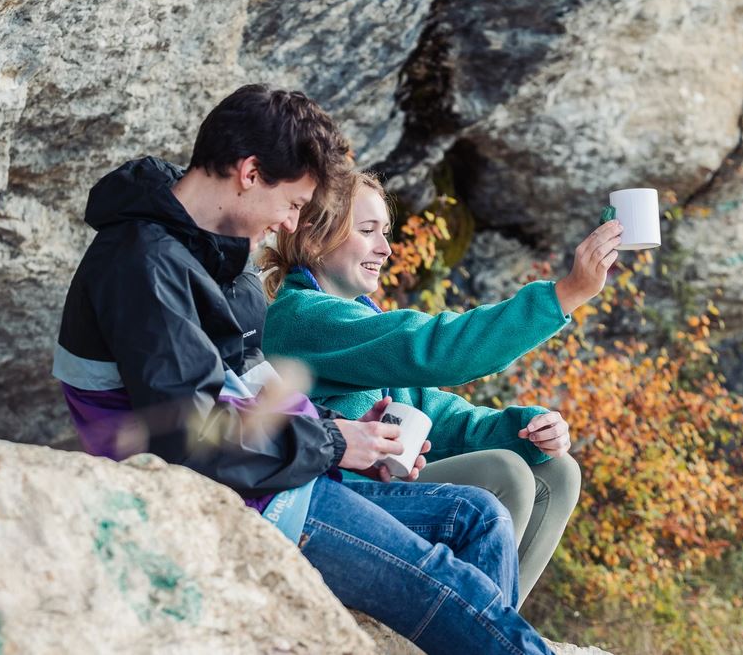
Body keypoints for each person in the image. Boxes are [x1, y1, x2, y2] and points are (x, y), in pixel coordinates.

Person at [52, 84, 557, 654]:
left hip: (280, 472)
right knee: (454, 590)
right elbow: (190, 432)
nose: (290, 225)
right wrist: (334, 442)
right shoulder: (143, 266)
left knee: (478, 516)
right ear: (249, 172)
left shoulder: (218, 250)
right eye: (292, 203)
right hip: (240, 496)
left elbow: (255, 388)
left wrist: (359, 435)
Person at [261, 171, 623, 607]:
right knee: (504, 473)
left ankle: (499, 627)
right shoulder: (300, 317)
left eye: (387, 232)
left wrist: (527, 428)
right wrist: (564, 294)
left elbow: (440, 415)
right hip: (338, 500)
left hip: (381, 490)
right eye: (367, 230)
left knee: (558, 470)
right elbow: (433, 349)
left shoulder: (358, 319)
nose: (386, 248)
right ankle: (484, 634)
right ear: (315, 240)